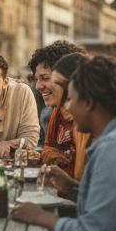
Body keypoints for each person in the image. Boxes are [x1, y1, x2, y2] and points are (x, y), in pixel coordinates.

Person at [12, 55, 116, 231]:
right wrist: (72, 188)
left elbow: (95, 230)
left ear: (88, 103)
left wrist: (40, 217)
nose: (67, 107)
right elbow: (107, 203)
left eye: (70, 99)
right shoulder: (115, 138)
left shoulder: (113, 148)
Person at [27, 41, 87, 174]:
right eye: (36, 79)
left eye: (45, 78)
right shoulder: (57, 111)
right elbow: (48, 148)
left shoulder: (88, 119)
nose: (38, 86)